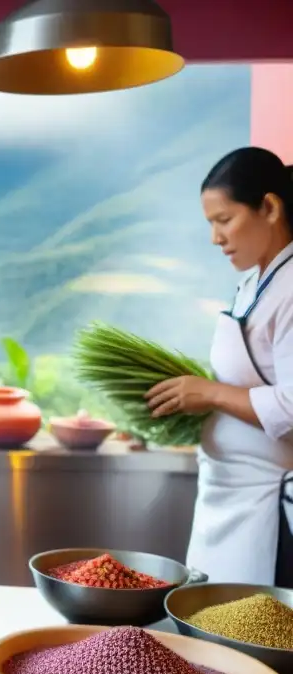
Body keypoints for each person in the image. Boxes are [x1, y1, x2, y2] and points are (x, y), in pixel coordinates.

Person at [146, 147, 293, 585]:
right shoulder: (254, 282)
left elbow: (289, 408)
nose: (215, 238)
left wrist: (208, 393)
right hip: (229, 494)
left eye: (224, 220)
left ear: (269, 207)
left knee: (257, 638)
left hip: (269, 508)